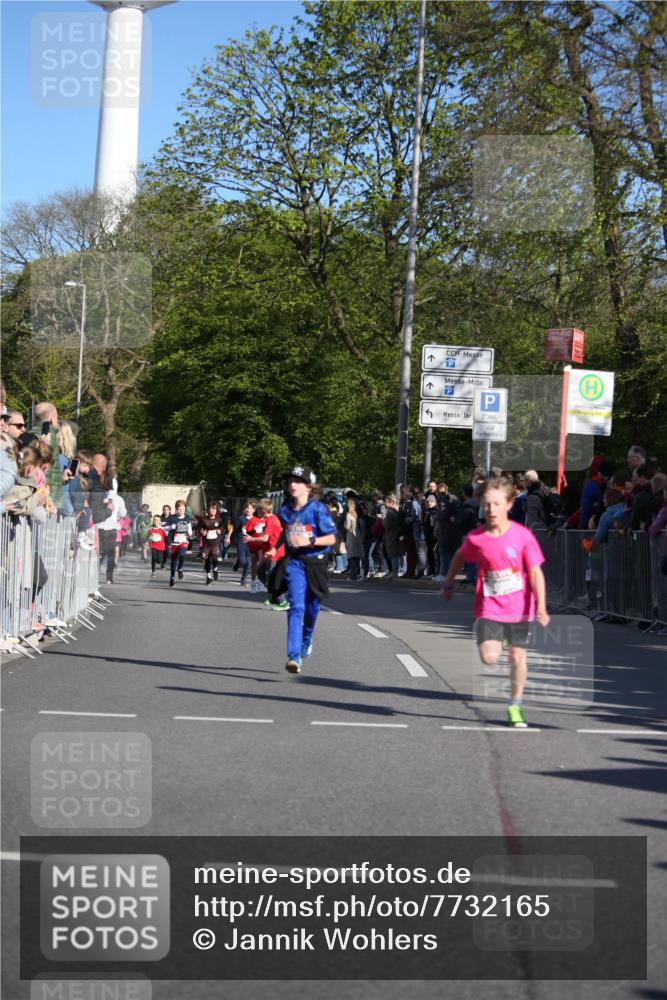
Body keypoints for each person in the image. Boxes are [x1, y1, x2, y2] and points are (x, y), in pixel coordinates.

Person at [441, 477, 550, 728]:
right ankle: (499, 637)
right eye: (487, 504)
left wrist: (542, 606)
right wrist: (448, 584)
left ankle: (515, 706)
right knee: (489, 657)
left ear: (509, 504)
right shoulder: (476, 538)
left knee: (517, 658)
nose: (491, 509)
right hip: (489, 605)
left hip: (520, 606)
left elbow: (535, 573)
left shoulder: (522, 536)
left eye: (496, 504)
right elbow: (458, 557)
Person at [266, 466, 336, 674]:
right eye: (290, 481)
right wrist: (275, 547)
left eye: (297, 481)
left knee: (312, 608)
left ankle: (307, 638)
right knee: (296, 606)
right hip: (295, 562)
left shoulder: (317, 509)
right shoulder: (285, 510)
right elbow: (286, 531)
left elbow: (332, 538)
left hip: (315, 563)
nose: (292, 485)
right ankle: (294, 656)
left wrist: (309, 541)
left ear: (309, 486)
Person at [164, 500, 194, 587]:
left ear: (185, 509)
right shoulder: (172, 518)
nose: (181, 511)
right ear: (176, 509)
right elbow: (165, 528)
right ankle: (172, 578)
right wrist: (171, 527)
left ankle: (180, 569)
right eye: (179, 509)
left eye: (183, 509)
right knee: (174, 561)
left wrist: (189, 532)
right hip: (174, 542)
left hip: (183, 541)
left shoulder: (187, 518)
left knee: (182, 555)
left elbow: (189, 528)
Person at [197, 500, 224, 584]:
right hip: (206, 544)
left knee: (215, 558)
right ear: (208, 510)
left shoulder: (219, 519)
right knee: (207, 560)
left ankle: (215, 569)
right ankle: (208, 577)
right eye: (211, 509)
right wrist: (202, 532)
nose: (213, 510)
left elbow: (222, 527)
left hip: (215, 543)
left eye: (215, 509)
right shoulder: (203, 519)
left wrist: (220, 530)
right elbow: (199, 528)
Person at [233, 499, 255, 587]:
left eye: (250, 508)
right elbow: (235, 529)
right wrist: (235, 541)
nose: (248, 510)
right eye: (247, 508)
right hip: (241, 542)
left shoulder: (256, 520)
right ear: (244, 509)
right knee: (243, 561)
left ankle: (243, 579)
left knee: (248, 563)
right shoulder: (240, 518)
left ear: (254, 510)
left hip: (251, 543)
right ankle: (238, 561)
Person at [344, 494, 364, 581]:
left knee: (351, 556)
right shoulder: (355, 514)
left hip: (351, 536)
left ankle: (353, 576)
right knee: (356, 556)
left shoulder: (348, 514)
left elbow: (348, 527)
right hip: (357, 536)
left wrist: (345, 525)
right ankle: (357, 573)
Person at [382, 493, 403, 577]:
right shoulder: (396, 511)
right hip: (396, 534)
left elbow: (387, 525)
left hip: (391, 535)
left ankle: (395, 572)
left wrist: (383, 519)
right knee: (396, 554)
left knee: (393, 554)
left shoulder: (390, 512)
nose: (384, 503)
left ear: (391, 502)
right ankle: (396, 571)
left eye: (386, 501)